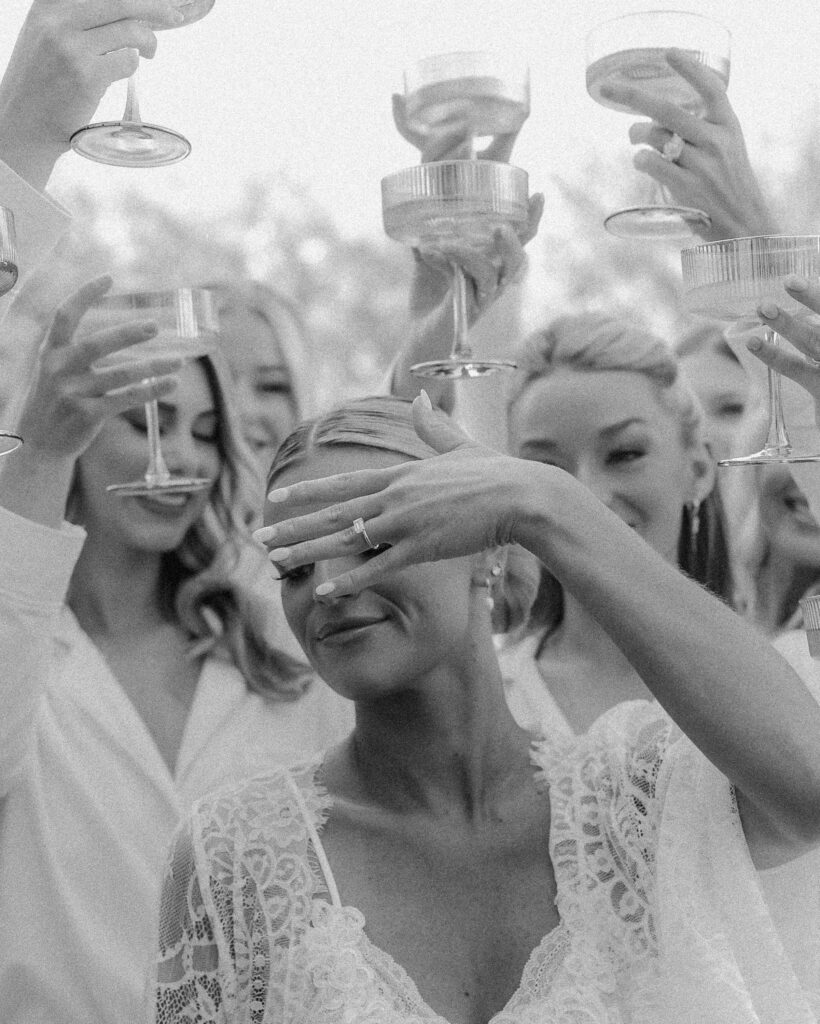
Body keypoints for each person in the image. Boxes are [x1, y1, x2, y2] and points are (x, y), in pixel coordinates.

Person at [155, 392, 820, 1021]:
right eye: (296, 567)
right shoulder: (235, 855)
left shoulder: (631, 803)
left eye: (372, 540)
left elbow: (809, 784)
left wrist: (547, 502)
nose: (326, 588)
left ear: (486, 553)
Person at [0, 276, 355, 1024]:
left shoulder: (270, 641)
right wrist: (37, 455)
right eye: (148, 423)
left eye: (206, 431)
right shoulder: (24, 645)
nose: (184, 458)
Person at [495, 313, 725, 739]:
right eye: (548, 469)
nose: (589, 497)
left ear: (698, 469)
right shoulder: (489, 700)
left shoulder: (785, 676)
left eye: (624, 454)